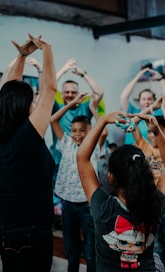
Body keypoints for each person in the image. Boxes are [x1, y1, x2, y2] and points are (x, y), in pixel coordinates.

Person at [76, 110, 165, 271]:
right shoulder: (155, 203)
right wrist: (157, 132)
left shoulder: (103, 206)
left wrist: (102, 120)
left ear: (110, 177)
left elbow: (82, 158)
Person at [0, 34, 57, 271]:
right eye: (32, 101)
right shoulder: (28, 135)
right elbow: (50, 89)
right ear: (23, 106)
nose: (35, 104)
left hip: (8, 228)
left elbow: (5, 95)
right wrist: (47, 49)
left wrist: (22, 56)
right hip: (32, 231)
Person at [51, 92, 107, 272]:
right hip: (68, 205)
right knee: (71, 250)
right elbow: (53, 120)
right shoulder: (66, 143)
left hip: (87, 206)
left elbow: (104, 131)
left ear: (89, 131)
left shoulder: (94, 147)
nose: (77, 134)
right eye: (74, 130)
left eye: (82, 130)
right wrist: (72, 103)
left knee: (91, 252)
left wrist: (93, 109)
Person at [132, 98, 165, 272]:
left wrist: (163, 110)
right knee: (156, 245)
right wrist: (151, 108)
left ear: (164, 133)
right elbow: (133, 123)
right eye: (151, 132)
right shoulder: (144, 146)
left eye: (157, 132)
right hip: (150, 204)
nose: (153, 136)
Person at [120, 67, 165, 144]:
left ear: (154, 101)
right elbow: (123, 97)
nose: (147, 102)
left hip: (151, 152)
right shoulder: (133, 112)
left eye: (149, 99)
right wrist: (138, 76)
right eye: (143, 99)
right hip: (131, 150)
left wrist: (161, 79)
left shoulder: (160, 114)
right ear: (139, 101)